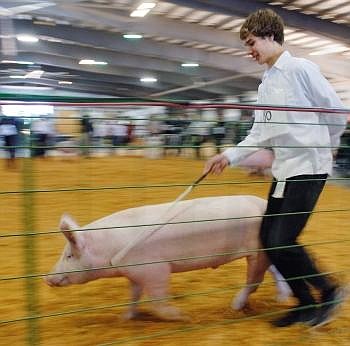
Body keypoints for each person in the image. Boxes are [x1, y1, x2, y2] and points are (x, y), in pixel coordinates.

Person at [203, 9, 348, 328]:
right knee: (269, 238)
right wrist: (229, 156)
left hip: (309, 168)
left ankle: (329, 289)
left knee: (283, 239)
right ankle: (305, 302)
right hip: (284, 170)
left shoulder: (300, 69)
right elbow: (260, 132)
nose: (249, 50)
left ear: (269, 35)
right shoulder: (267, 82)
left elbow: (336, 112)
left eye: (251, 42)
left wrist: (328, 147)